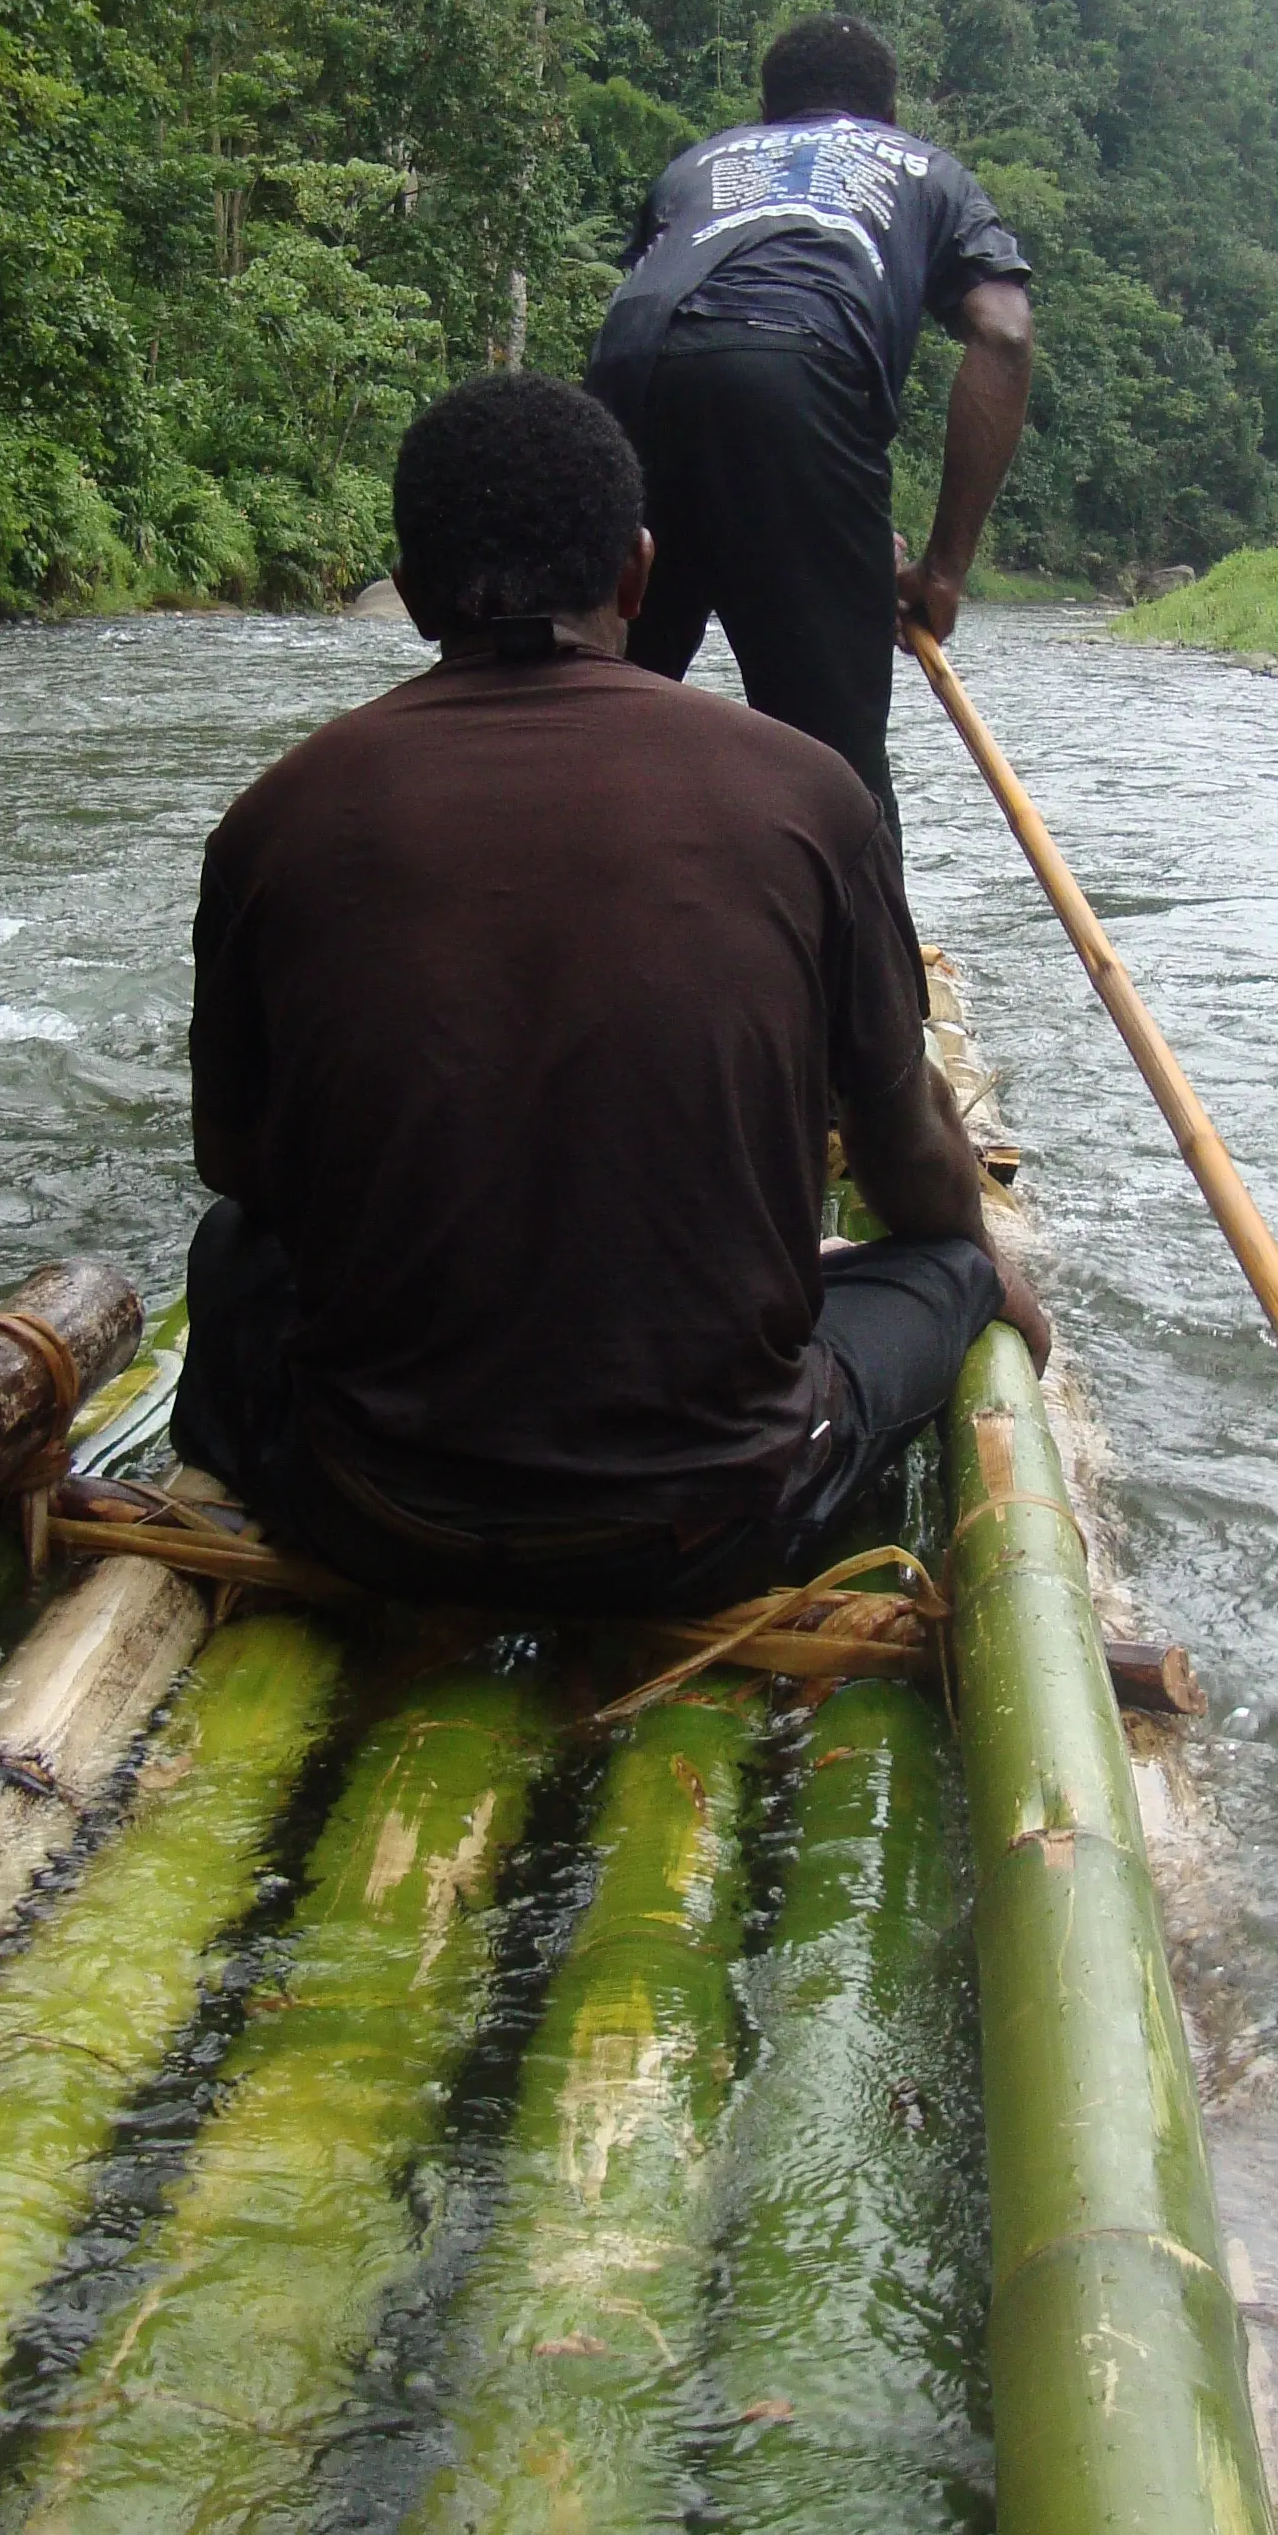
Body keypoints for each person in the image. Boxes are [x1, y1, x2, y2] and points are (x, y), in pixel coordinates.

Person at [169, 370, 1047, 1618]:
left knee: (232, 1253)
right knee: (954, 1269)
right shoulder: (810, 794)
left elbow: (237, 1167)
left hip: (376, 1511)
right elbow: (909, 1157)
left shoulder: (272, 817)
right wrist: (891, 1256)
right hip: (716, 1522)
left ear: (411, 593)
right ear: (637, 575)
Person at [586, 12, 1034, 833]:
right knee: (831, 773)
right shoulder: (927, 170)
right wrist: (941, 571)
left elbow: (692, 352)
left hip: (625, 379)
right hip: (791, 372)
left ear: (769, 113)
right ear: (885, 114)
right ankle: (867, 957)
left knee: (601, 711)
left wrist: (847, 539)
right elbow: (1003, 333)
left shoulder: (696, 164)